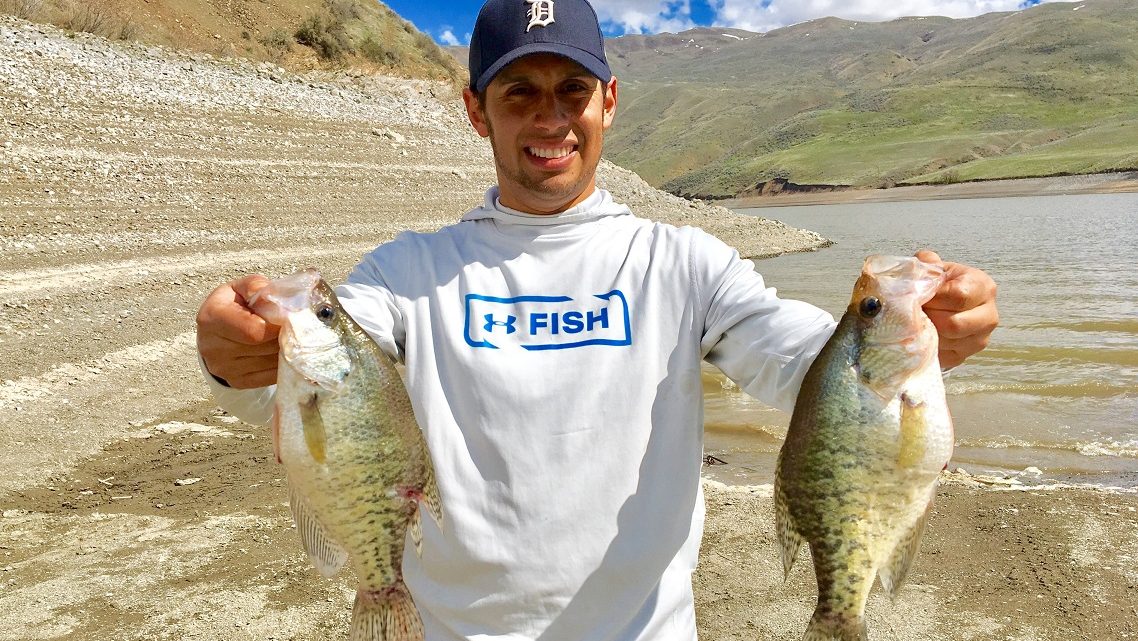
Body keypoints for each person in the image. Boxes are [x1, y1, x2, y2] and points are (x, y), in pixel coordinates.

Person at [195, 0, 999, 639]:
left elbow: (791, 359)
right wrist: (237, 356)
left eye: (572, 90)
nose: (550, 117)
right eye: (520, 92)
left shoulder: (684, 262)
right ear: (477, 111)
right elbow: (318, 385)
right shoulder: (408, 271)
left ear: (608, 102)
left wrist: (904, 350)